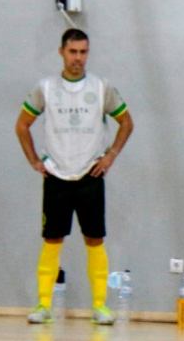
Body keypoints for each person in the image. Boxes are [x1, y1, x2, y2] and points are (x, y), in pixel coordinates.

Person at [14, 29, 134, 325]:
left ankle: (99, 306)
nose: (78, 58)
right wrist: (34, 160)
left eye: (83, 52)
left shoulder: (101, 87)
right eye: (73, 52)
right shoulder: (46, 88)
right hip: (56, 174)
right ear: (61, 52)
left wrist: (110, 156)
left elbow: (126, 123)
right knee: (52, 238)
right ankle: (43, 305)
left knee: (95, 238)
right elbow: (22, 125)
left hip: (90, 173)